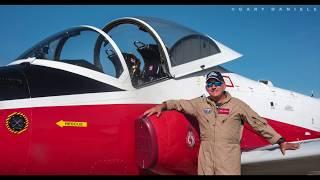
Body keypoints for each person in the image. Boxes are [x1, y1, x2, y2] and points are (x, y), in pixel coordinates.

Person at [143, 71, 300, 175]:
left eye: (216, 83)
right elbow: (180, 104)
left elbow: (257, 123)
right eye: (210, 84)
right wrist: (162, 106)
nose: (213, 87)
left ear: (223, 85)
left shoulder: (237, 105)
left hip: (228, 162)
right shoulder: (200, 104)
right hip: (206, 163)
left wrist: (280, 141)